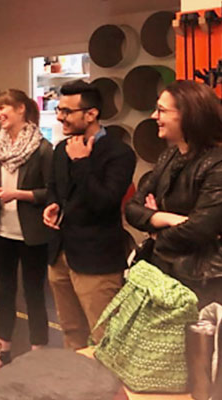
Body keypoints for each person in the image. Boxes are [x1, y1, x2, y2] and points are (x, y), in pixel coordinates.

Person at [42, 80, 136, 350]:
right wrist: (52, 204)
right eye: (59, 110)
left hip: (96, 259)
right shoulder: (62, 148)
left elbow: (104, 202)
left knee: (104, 335)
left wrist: (82, 162)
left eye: (67, 112)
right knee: (71, 330)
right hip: (60, 254)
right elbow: (55, 188)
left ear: (91, 114)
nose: (60, 117)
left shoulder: (119, 153)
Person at [125, 80, 222, 308]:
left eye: (161, 110)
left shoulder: (217, 163)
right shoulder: (169, 156)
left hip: (202, 284)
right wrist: (167, 219)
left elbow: (200, 229)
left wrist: (156, 233)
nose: (153, 116)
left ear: (188, 115)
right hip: (165, 275)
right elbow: (132, 208)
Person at [0, 89, 53, 373]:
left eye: (3, 109)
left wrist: (19, 195)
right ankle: (3, 351)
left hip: (32, 234)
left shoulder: (42, 149)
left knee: (34, 292)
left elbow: (51, 192)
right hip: (1, 231)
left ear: (21, 109)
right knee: (4, 291)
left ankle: (39, 351)